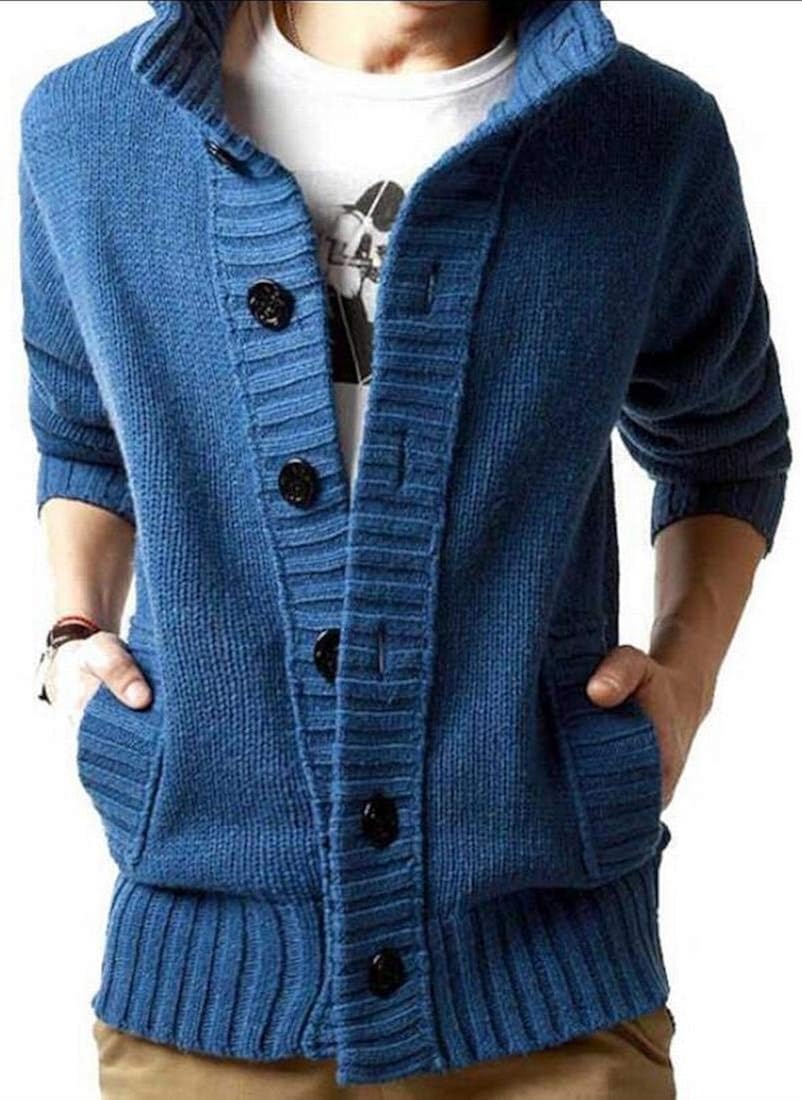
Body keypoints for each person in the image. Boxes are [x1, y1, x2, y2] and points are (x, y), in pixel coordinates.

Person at [20, 1, 790, 1097]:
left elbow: (724, 443)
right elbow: (85, 436)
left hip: (551, 982)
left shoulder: (643, 135)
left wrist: (689, 677)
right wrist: (73, 632)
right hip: (209, 976)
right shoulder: (92, 125)